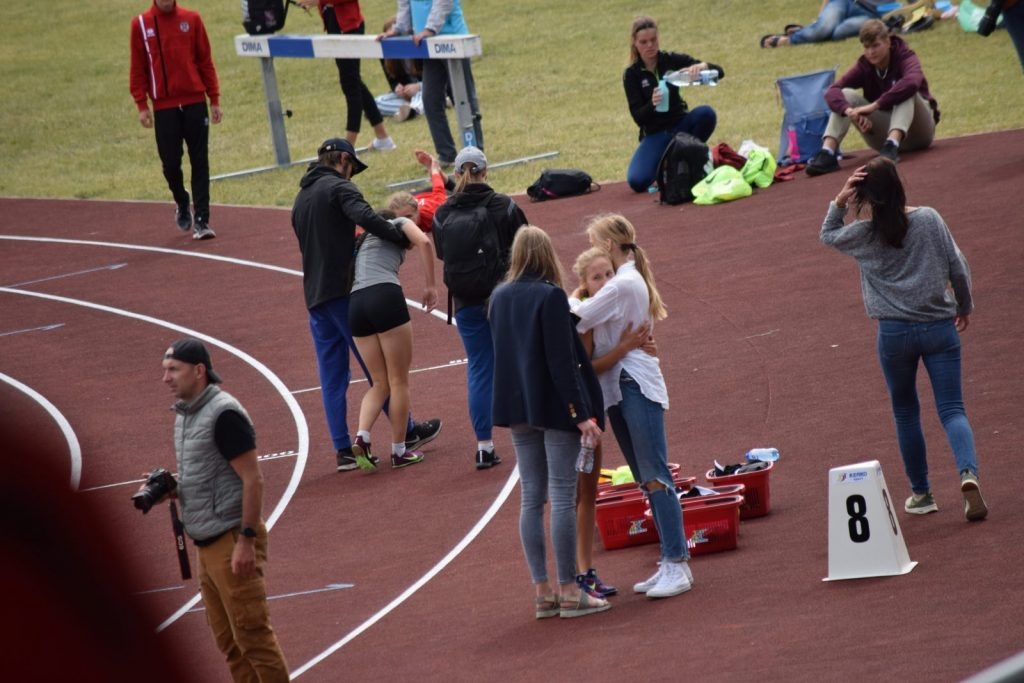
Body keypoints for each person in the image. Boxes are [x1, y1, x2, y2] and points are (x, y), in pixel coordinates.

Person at [820, 158, 988, 521]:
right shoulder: (929, 218)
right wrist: (964, 305)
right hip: (939, 328)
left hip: (894, 334)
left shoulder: (863, 234)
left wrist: (840, 199)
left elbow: (828, 234)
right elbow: (957, 267)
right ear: (899, 186)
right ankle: (968, 474)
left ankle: (921, 492)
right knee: (952, 409)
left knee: (906, 412)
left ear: (867, 196)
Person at [291, 137, 442, 472]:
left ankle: (343, 450)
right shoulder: (339, 189)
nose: (352, 176)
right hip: (346, 291)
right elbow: (366, 217)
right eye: (352, 168)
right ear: (343, 159)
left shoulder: (301, 198)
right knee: (383, 374)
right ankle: (407, 434)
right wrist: (398, 235)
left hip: (314, 297)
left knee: (332, 377)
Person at [489, 225, 610, 620]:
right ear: (546, 255)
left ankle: (543, 592)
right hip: (555, 408)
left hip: (517, 407)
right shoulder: (550, 295)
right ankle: (571, 591)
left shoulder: (499, 297)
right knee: (561, 496)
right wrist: (581, 415)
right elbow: (563, 363)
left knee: (531, 498)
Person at [572, 214, 694, 599]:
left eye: (596, 242)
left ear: (609, 245)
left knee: (656, 474)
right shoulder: (625, 281)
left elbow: (576, 317)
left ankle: (677, 562)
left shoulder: (624, 282)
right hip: (620, 387)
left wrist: (575, 291)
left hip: (633, 382)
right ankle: (670, 559)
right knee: (646, 477)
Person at [159, 338, 290, 681]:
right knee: (230, 644)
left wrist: (246, 540)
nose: (166, 378)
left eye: (174, 369)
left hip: (231, 539)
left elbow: (253, 479)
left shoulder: (224, 414)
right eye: (165, 370)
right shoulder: (186, 415)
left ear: (199, 371)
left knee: (253, 640)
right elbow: (209, 473)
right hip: (206, 544)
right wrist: (172, 486)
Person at [432, 146, 528, 469]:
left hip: (464, 300)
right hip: (503, 295)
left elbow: (443, 254)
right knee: (518, 359)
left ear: (458, 174)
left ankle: (484, 446)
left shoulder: (443, 213)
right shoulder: (504, 205)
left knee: (479, 367)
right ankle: (530, 432)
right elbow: (525, 246)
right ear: (486, 171)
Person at [569, 246, 655, 600]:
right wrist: (624, 348)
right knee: (578, 495)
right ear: (585, 286)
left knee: (587, 493)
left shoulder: (603, 312)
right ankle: (577, 573)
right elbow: (584, 370)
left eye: (609, 275)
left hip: (595, 414)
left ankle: (584, 571)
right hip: (583, 417)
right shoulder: (585, 321)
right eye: (597, 277)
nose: (606, 283)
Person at [348, 212, 438, 470]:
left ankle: (362, 436)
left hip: (356, 304)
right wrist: (431, 285)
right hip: (384, 296)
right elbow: (425, 243)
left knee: (379, 383)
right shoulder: (399, 222)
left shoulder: (363, 238)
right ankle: (399, 450)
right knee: (398, 380)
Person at [129, 0, 221, 240]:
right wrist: (142, 104)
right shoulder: (141, 24)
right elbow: (137, 67)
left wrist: (214, 99)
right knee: (170, 163)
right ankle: (182, 200)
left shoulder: (192, 19)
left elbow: (205, 61)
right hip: (164, 107)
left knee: (200, 160)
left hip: (195, 102)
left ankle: (202, 220)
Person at [806, 19, 939, 176]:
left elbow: (912, 82)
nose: (870, 52)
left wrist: (875, 105)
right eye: (866, 47)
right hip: (881, 138)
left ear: (888, 42)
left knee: (905, 90)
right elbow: (832, 90)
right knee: (846, 94)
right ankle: (827, 153)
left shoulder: (905, 56)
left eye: (875, 46)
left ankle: (892, 144)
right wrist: (850, 112)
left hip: (919, 133)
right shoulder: (864, 66)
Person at [623, 16, 724, 193]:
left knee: (706, 114)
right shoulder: (632, 75)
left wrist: (701, 66)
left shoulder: (671, 60)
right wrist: (652, 104)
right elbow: (638, 117)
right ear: (635, 43)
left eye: (653, 40)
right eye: (644, 42)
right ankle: (667, 166)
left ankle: (686, 161)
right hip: (655, 134)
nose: (650, 45)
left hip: (680, 127)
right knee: (637, 181)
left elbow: (719, 72)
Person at [378, 0, 483, 166]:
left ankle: (476, 154)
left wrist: (429, 29)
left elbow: (445, 2)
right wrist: (397, 29)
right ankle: (446, 154)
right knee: (430, 99)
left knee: (464, 99)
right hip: (428, 45)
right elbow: (405, 4)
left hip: (452, 39)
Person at [298, 0, 396, 151]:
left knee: (350, 84)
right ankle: (383, 138)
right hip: (335, 24)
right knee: (353, 81)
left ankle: (348, 146)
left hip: (349, 27)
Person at [759, 0, 886, 47]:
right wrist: (821, 16)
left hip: (871, 13)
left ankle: (806, 31)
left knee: (838, 33)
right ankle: (788, 40)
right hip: (843, 2)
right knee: (823, 28)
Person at [385, 149, 451, 233]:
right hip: (416, 196)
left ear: (417, 212)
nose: (407, 223)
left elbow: (439, 191)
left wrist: (434, 170)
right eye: (401, 219)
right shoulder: (393, 224)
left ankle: (434, 167)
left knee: (454, 190)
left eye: (409, 216)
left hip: (432, 196)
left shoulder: (432, 214)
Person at [375, 16, 425, 122]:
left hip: (426, 89)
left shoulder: (419, 47)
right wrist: (397, 88)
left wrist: (418, 86)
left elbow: (436, 80)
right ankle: (409, 109)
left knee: (423, 95)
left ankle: (413, 110)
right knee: (376, 102)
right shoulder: (386, 56)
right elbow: (392, 81)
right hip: (407, 97)